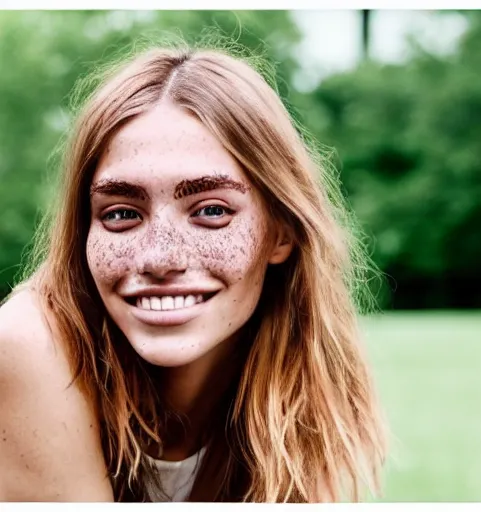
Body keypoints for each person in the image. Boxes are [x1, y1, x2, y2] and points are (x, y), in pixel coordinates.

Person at [0, 44, 386, 502]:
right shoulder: (25, 344)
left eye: (211, 210)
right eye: (122, 214)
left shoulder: (298, 366)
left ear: (280, 233)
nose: (160, 257)